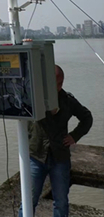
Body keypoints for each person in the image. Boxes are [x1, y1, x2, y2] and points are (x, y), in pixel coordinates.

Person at [19, 65, 93, 217]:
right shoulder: (32, 99)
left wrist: (74, 136)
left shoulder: (67, 100)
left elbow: (87, 117)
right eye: (55, 84)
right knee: (28, 200)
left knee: (61, 201)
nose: (58, 87)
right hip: (36, 157)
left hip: (60, 157)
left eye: (61, 84)